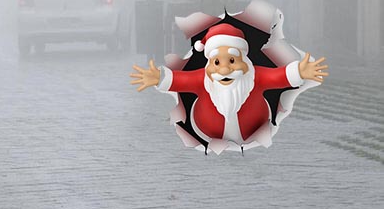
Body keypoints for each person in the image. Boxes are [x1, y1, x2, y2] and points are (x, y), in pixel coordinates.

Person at [130, 23, 328, 152]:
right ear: (210, 62)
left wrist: (299, 72)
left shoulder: (255, 77)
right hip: (208, 131)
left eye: (232, 60)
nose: (224, 69)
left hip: (253, 129)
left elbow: (278, 76)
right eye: (217, 63)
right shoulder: (203, 79)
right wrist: (159, 78)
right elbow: (180, 80)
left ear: (243, 59)